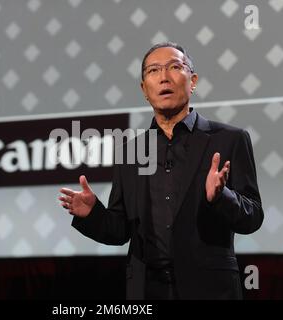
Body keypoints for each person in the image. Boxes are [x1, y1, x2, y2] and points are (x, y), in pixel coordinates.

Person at [58, 42, 264, 300]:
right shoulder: (130, 151)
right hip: (146, 290)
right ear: (145, 89)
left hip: (210, 289)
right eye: (153, 70)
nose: (164, 77)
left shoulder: (229, 139)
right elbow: (120, 230)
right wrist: (93, 214)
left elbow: (253, 216)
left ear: (193, 81)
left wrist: (221, 197)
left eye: (175, 67)